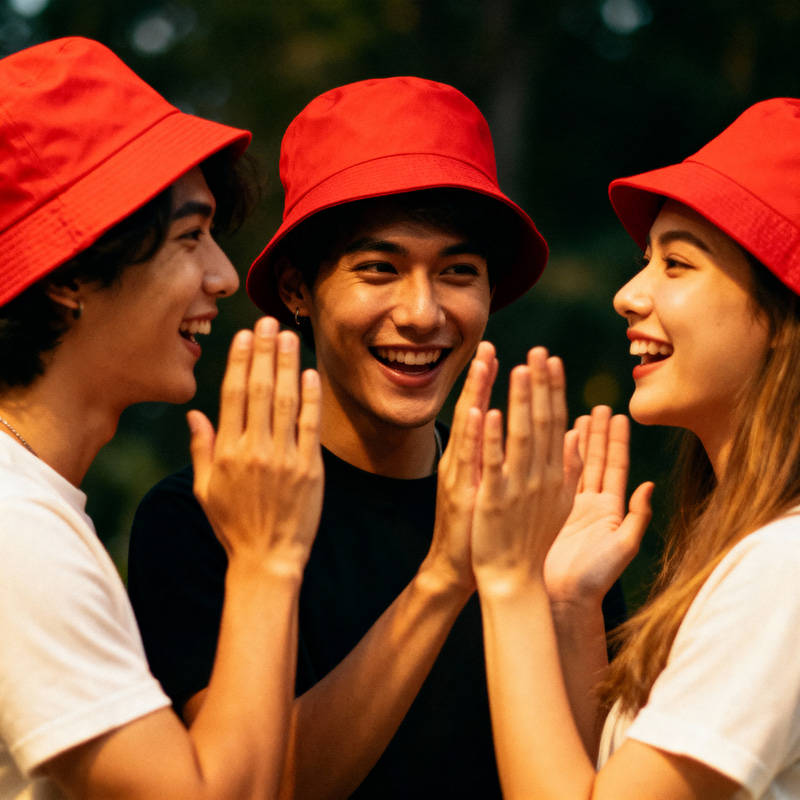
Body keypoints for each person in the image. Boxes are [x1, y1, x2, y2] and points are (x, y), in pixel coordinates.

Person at [127, 76, 630, 799]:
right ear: (299, 289)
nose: (423, 313)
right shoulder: (205, 516)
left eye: (458, 272)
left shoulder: (540, 514)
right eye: (379, 270)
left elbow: (586, 780)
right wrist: (443, 577)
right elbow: (253, 786)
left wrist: (564, 604)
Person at [0, 37, 324, 800]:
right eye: (189, 237)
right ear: (70, 276)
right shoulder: (16, 531)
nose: (223, 275)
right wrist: (267, 557)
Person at [469, 97, 800, 800]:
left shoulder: (786, 567)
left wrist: (506, 581)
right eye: (644, 261)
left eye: (677, 264)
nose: (628, 294)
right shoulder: (753, 552)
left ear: (781, 315)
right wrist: (564, 606)